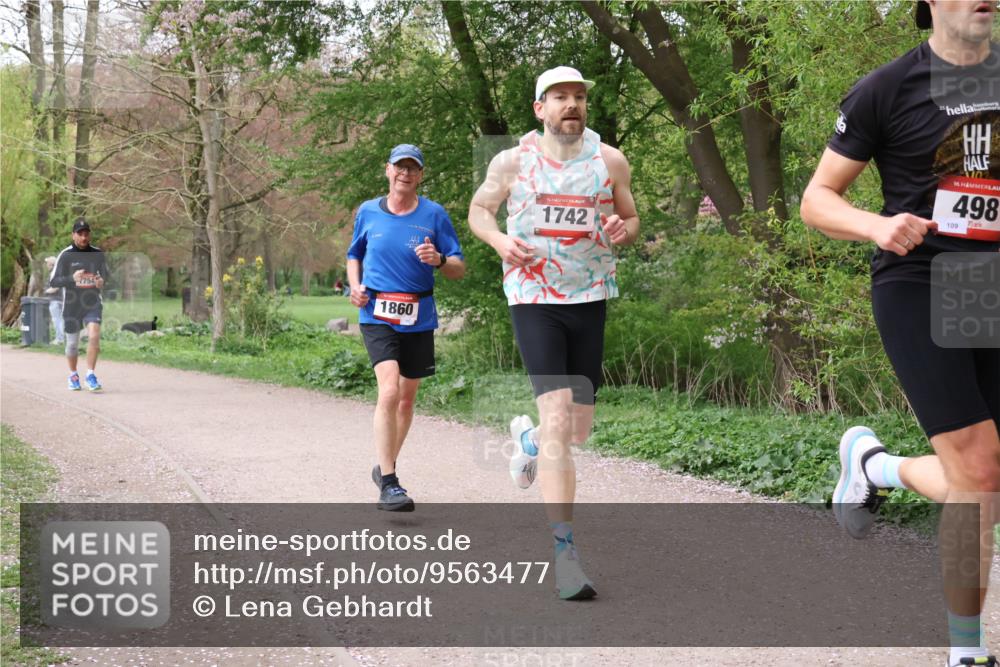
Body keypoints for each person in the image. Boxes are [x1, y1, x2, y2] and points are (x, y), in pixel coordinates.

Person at [801, 2, 998, 665]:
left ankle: (876, 466)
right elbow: (817, 198)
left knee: (983, 482)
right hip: (919, 284)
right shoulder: (887, 88)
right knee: (978, 468)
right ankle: (966, 654)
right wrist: (877, 225)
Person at [468, 66, 640, 600]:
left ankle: (528, 443)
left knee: (576, 432)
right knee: (559, 417)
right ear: (540, 108)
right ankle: (566, 555)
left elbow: (632, 221)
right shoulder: (511, 161)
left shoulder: (609, 160)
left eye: (580, 97)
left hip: (588, 297)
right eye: (560, 97)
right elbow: (479, 211)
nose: (572, 105)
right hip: (533, 297)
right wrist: (498, 242)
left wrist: (621, 230)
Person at [347, 144, 466, 511]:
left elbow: (458, 267)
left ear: (420, 175)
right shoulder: (368, 211)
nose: (405, 173)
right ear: (388, 170)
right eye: (400, 167)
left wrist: (440, 259)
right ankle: (391, 484)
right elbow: (354, 254)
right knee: (388, 391)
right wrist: (355, 285)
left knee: (407, 398)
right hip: (377, 313)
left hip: (419, 314)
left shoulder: (434, 214)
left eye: (412, 168)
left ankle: (384, 468)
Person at [49, 218, 109, 391]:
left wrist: (101, 281)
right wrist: (71, 279)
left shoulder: (98, 254)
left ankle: (90, 374)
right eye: (80, 234)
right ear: (73, 235)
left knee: (94, 336)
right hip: (72, 305)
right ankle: (73, 374)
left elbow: (106, 276)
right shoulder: (66, 255)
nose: (83, 237)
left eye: (86, 234)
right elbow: (53, 281)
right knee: (72, 345)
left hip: (92, 302)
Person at [44, 256, 65, 345]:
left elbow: (56, 287)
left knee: (57, 320)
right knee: (60, 320)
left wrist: (46, 291)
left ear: (52, 265)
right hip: (60, 300)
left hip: (55, 300)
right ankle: (61, 338)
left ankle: (59, 339)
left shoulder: (54, 274)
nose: (46, 265)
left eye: (47, 264)